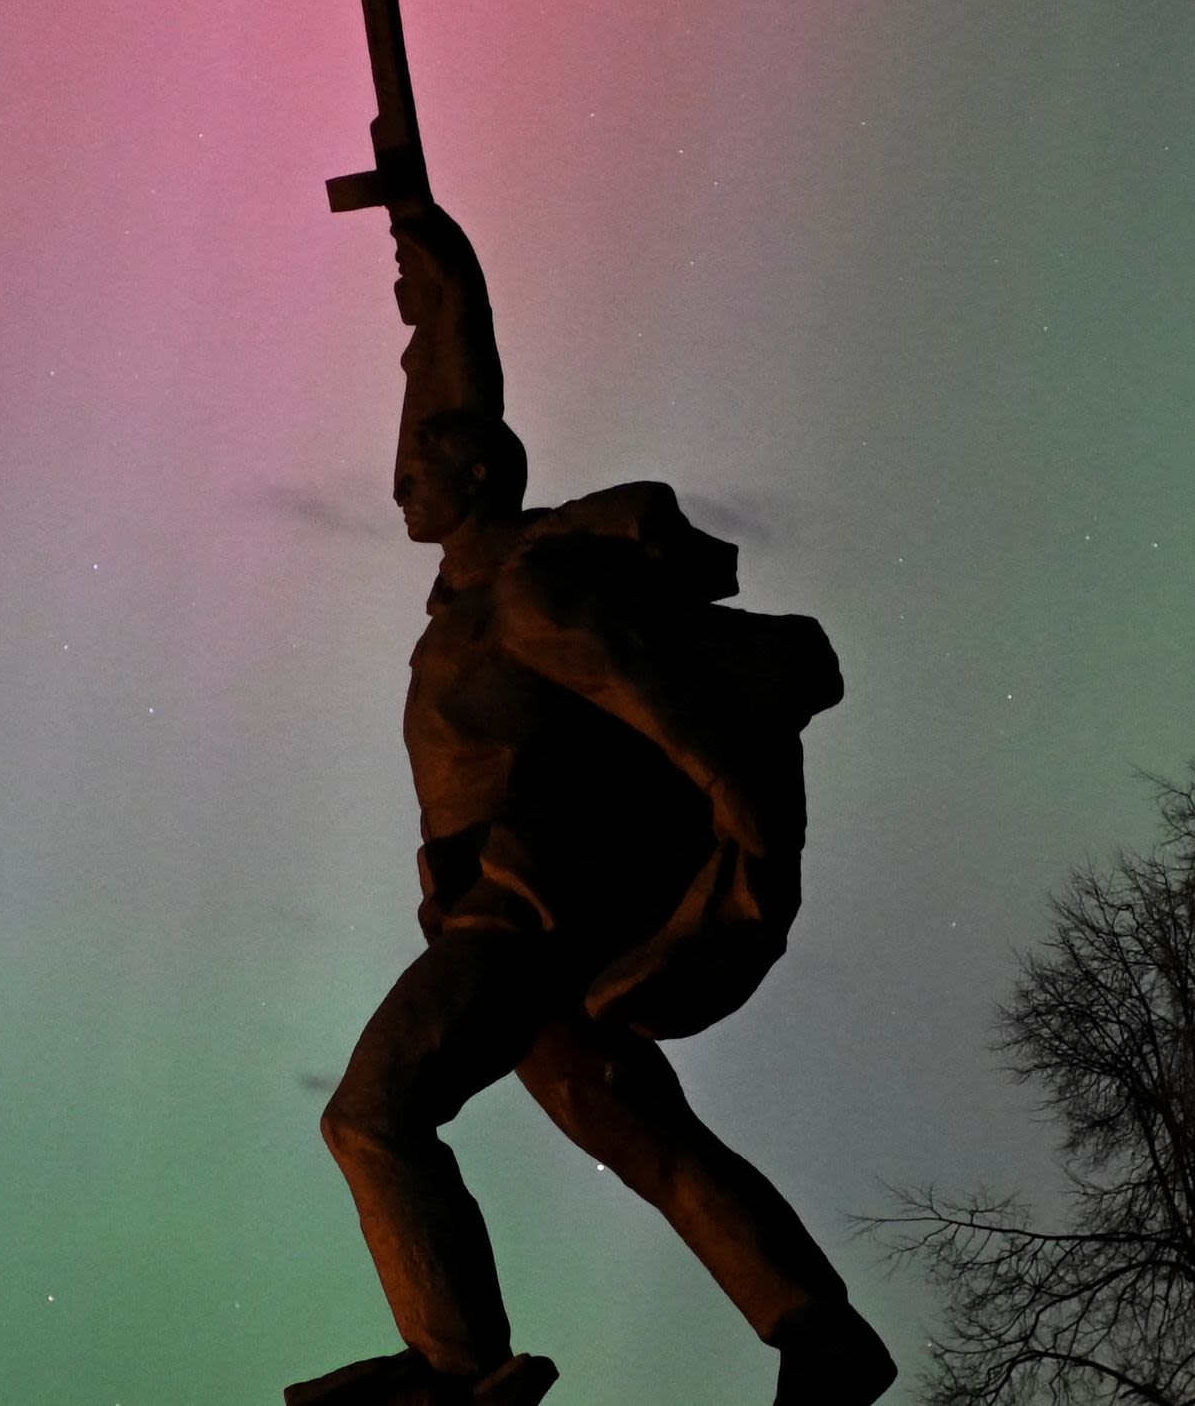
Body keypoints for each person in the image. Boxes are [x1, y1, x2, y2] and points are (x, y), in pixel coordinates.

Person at [288, 201, 899, 1406]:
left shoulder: (528, 590)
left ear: (469, 479)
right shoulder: (474, 586)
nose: (397, 475)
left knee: (372, 1114)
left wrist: (748, 832)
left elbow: (665, 704)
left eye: (421, 462)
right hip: (511, 909)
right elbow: (458, 390)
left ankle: (455, 1364)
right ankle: (817, 1329)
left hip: (528, 906)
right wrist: (441, 291)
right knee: (650, 1140)